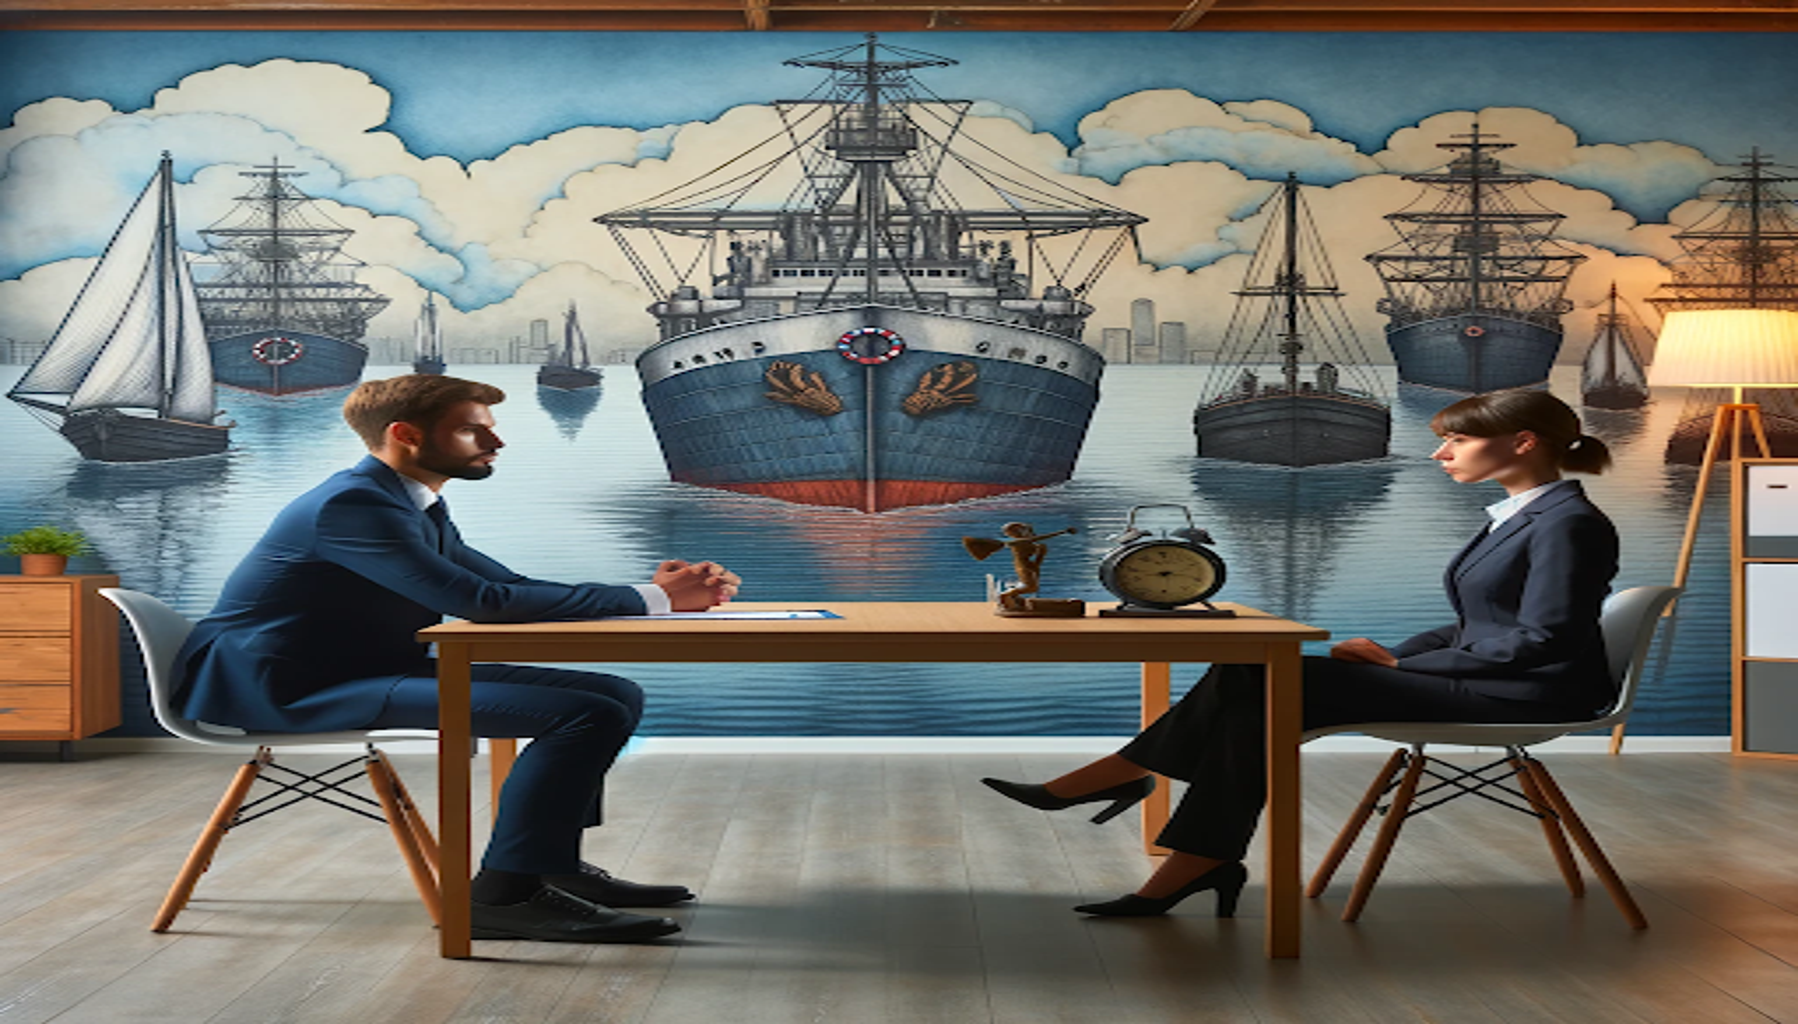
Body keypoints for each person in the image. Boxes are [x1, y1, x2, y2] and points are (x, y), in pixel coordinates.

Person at [983, 389, 1619, 918]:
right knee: (1254, 696)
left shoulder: (1569, 523)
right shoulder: (1518, 516)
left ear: (1524, 442)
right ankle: (1190, 859)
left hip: (1529, 691)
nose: (1440, 452)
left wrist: (1404, 669)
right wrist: (1395, 656)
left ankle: (1137, 790)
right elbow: (1473, 623)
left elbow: (1546, 638)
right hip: (1489, 677)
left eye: (1458, 440)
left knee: (1258, 680)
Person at [173, 375, 741, 944]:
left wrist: (648, 593)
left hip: (355, 667)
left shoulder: (411, 500)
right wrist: (658, 599)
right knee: (582, 713)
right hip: (290, 686)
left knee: (614, 695)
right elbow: (479, 603)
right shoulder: (353, 505)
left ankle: (552, 866)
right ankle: (504, 896)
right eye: (474, 431)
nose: (496, 445)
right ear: (405, 435)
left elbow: (507, 584)